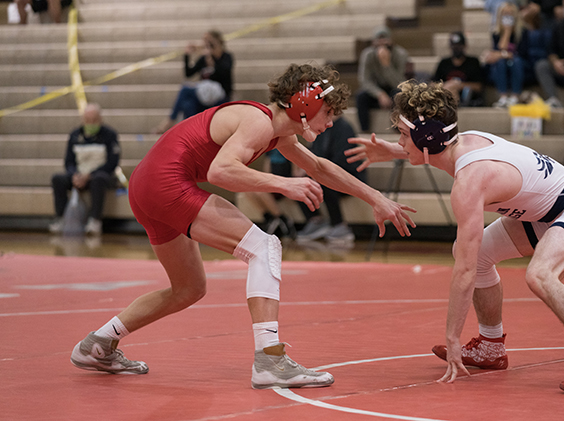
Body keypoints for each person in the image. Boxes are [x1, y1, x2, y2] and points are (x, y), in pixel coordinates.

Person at [69, 64, 416, 389]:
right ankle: (268, 359)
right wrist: (283, 184)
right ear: (304, 103)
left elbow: (320, 168)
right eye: (329, 112)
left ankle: (98, 343)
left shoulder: (278, 132)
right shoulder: (259, 121)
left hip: (147, 185)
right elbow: (222, 171)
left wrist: (376, 198)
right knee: (265, 247)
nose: (331, 122)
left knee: (188, 289)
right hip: (166, 183)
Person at [346, 80, 564, 394]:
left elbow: (465, 272)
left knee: (540, 275)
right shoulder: (462, 141)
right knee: (471, 250)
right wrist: (393, 150)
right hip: (541, 212)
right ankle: (491, 346)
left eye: (403, 136)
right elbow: (432, 148)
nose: (400, 142)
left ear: (426, 138)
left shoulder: (471, 181)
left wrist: (453, 337)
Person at [294, 115, 367, 245]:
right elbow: (313, 152)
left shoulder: (344, 127)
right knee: (297, 182)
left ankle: (339, 225)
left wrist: (317, 171)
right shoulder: (322, 128)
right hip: (326, 171)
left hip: (349, 173)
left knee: (326, 180)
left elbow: (342, 159)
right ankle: (315, 220)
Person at [50, 104, 120, 237]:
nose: (91, 123)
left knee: (99, 179)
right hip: (78, 174)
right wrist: (74, 175)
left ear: (100, 119)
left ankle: (95, 220)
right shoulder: (75, 135)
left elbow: (113, 162)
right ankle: (60, 218)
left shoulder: (110, 135)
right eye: (88, 120)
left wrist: (90, 175)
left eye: (94, 120)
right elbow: (68, 162)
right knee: (57, 178)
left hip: (100, 176)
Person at [154, 30, 234, 134]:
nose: (206, 44)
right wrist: (187, 55)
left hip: (219, 98)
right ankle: (191, 134)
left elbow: (225, 73)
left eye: (209, 42)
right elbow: (189, 73)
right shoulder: (204, 58)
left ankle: (170, 121)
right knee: (188, 104)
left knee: (185, 90)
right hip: (204, 97)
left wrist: (213, 62)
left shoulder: (226, 57)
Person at [355, 26, 410, 133]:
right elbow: (364, 80)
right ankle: (364, 130)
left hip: (394, 87)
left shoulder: (401, 54)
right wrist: (379, 94)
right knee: (361, 96)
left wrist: (386, 65)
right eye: (379, 43)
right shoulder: (367, 55)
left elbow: (401, 83)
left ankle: (397, 128)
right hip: (377, 88)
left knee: (399, 95)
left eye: (385, 43)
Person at [243, 149, 296, 239]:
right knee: (247, 189)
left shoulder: (290, 147)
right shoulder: (271, 149)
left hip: (285, 181)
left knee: (260, 191)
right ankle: (269, 218)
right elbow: (267, 168)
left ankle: (283, 219)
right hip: (274, 182)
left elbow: (296, 166)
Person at [483, 2, 524, 107]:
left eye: (510, 14)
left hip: (518, 61)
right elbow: (500, 49)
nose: (507, 17)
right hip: (503, 62)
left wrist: (503, 54)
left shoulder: (522, 32)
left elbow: (521, 53)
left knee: (516, 61)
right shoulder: (496, 33)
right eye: (505, 14)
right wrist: (506, 32)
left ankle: (515, 96)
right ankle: (503, 97)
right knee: (500, 62)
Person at [432, 31, 486, 107]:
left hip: (466, 97)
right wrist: (448, 85)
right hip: (446, 93)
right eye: (454, 46)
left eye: (459, 46)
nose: (456, 48)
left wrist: (458, 85)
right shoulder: (444, 63)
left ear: (464, 46)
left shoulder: (473, 62)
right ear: (450, 47)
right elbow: (432, 83)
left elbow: (479, 86)